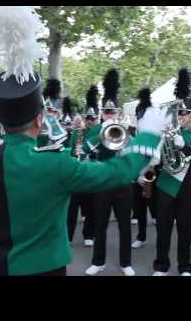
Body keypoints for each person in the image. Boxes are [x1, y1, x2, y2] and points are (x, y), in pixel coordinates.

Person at [0, 6, 166, 276]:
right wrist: (149, 136)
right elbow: (118, 172)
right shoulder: (55, 164)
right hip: (46, 267)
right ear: (38, 120)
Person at [83, 69, 137, 276]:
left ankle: (125, 263)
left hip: (123, 182)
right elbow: (85, 151)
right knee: (100, 224)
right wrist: (100, 134)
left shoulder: (126, 129)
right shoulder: (95, 130)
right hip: (103, 181)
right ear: (101, 113)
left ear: (117, 113)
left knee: (124, 225)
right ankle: (98, 261)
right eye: (106, 112)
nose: (109, 115)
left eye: (112, 112)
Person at [153, 68, 191, 276]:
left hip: (188, 186)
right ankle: (161, 266)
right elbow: (157, 159)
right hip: (166, 184)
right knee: (163, 229)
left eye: (185, 113)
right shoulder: (165, 132)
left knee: (185, 228)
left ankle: (185, 266)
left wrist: (184, 145)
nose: (182, 116)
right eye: (180, 112)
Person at [66, 88, 98, 247]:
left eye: (93, 118)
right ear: (85, 118)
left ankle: (89, 234)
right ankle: (68, 235)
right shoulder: (77, 133)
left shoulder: (101, 133)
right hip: (77, 173)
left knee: (92, 207)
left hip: (92, 174)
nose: (91, 121)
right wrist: (75, 153)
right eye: (88, 118)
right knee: (72, 207)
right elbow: (70, 152)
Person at [131, 87, 157, 249]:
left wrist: (150, 171)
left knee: (156, 204)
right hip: (138, 172)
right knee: (139, 207)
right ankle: (141, 236)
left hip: (153, 171)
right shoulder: (135, 129)